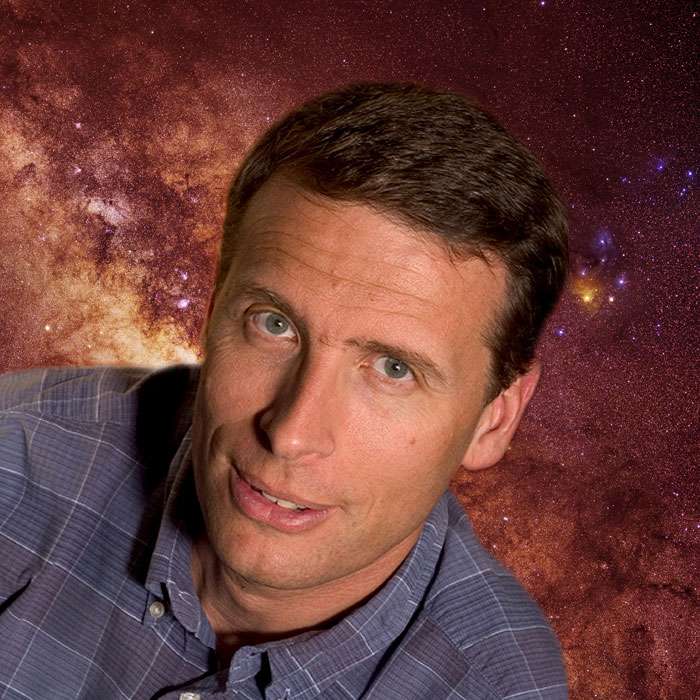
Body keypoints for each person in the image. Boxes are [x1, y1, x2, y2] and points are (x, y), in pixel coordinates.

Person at [0, 82, 569, 699]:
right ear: (212, 316)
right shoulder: (14, 456)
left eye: (393, 369)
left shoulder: (498, 689)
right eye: (274, 325)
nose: (291, 433)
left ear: (494, 418)